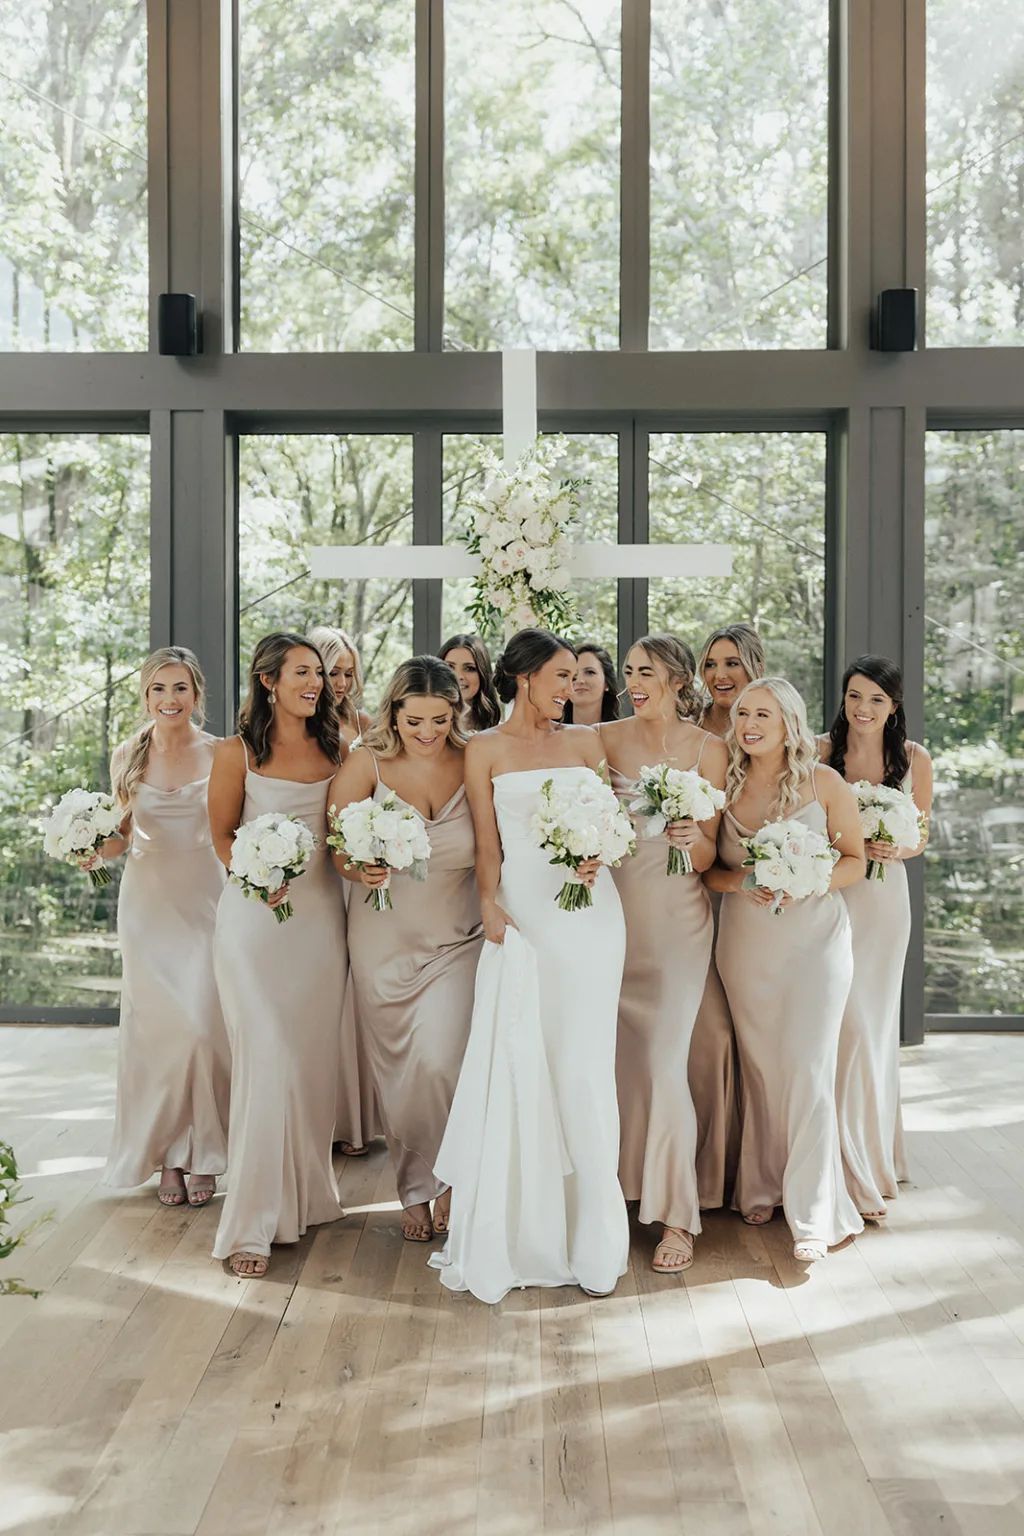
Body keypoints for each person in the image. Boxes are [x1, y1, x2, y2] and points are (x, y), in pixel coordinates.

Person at [430, 628, 629, 1303]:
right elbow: (489, 845)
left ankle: (594, 1239)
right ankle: (520, 1235)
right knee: (521, 1058)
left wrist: (602, 853)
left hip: (593, 918)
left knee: (582, 1065)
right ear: (523, 678)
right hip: (525, 917)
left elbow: (611, 823)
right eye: (561, 675)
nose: (572, 686)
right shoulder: (483, 750)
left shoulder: (589, 743)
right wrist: (488, 901)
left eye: (578, 675)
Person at [706, 676, 865, 1262]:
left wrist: (810, 879)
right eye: (743, 713)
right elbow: (710, 874)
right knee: (763, 1067)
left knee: (807, 1064)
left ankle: (814, 1212)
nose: (748, 724)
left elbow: (856, 859)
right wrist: (746, 881)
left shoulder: (824, 783)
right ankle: (763, 1183)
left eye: (762, 715)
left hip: (815, 943)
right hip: (747, 944)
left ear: (788, 723)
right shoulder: (723, 784)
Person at [329, 656, 482, 1243]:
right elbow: (337, 847)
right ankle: (414, 1186)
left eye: (440, 720)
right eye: (414, 719)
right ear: (394, 711)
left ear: (455, 712)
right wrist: (359, 867)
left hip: (457, 938)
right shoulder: (366, 762)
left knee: (442, 1060)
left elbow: (494, 845)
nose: (426, 732)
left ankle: (452, 1180)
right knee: (401, 1073)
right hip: (382, 942)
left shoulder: (474, 760)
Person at [208, 632, 346, 1277]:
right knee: (266, 1058)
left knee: (307, 1066)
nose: (314, 682)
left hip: (318, 925)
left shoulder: (337, 747)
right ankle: (251, 1226)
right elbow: (221, 836)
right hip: (251, 925)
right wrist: (258, 874)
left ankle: (305, 1196)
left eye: (318, 673)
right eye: (300, 672)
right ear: (268, 680)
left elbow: (345, 833)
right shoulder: (236, 753)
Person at [599, 635, 726, 1272]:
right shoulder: (602, 739)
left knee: (662, 1063)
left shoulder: (711, 749)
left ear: (677, 679)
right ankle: (615, 1194)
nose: (632, 682)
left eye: (644, 672)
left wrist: (690, 836)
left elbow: (711, 858)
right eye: (628, 672)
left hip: (676, 925)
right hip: (609, 922)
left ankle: (678, 1216)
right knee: (614, 1065)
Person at [100, 647, 229, 1207]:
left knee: (203, 1028)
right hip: (147, 909)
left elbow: (232, 830)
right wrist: (91, 849)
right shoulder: (129, 754)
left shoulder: (224, 753)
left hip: (206, 903)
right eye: (158, 688)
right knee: (157, 1036)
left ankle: (206, 1150)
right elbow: (119, 838)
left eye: (179, 688)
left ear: (197, 696)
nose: (169, 699)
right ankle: (168, 1159)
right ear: (145, 696)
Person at [819, 656, 932, 1219]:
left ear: (894, 707)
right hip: (833, 896)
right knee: (838, 1022)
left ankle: (872, 1155)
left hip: (884, 900)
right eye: (855, 697)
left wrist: (897, 846)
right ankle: (831, 1154)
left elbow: (921, 834)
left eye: (877, 700)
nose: (863, 709)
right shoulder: (820, 752)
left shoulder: (914, 759)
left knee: (872, 1025)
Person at [688, 622, 767, 1209]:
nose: (720, 674)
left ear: (754, 669)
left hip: (752, 902)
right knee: (709, 1031)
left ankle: (754, 1167)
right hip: (695, 894)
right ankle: (707, 1170)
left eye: (733, 663)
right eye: (712, 662)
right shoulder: (689, 734)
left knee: (754, 1033)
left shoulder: (768, 732)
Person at [308, 623, 379, 1158]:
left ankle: (354, 1119)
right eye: (331, 671)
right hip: (303, 864)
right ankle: (317, 1113)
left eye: (347, 672)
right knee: (317, 988)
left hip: (353, 864)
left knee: (353, 987)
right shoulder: (288, 726)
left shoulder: (366, 725)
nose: (340, 681)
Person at [307, 624, 371, 746]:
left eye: (348, 674)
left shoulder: (362, 722)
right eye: (333, 673)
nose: (342, 683)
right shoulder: (296, 726)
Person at [439, 633, 501, 734]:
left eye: (469, 668)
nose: (458, 676)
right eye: (450, 667)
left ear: (483, 674)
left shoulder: (498, 732)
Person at [563, 641, 620, 726]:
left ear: (607, 682)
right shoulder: (549, 735)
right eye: (574, 674)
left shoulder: (625, 735)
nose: (580, 680)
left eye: (590, 672)